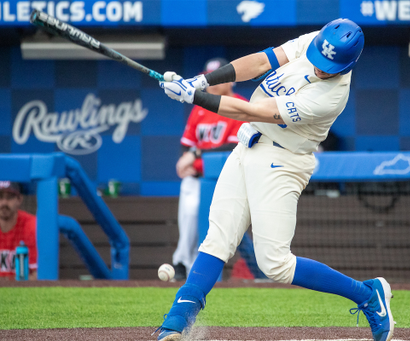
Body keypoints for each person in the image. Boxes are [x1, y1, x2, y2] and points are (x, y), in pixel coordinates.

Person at [156, 18, 394, 341]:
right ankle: (176, 322)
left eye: (329, 66)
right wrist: (202, 81)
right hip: (247, 145)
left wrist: (195, 97)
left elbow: (255, 110)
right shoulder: (317, 41)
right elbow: (259, 62)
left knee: (275, 264)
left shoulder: (330, 96)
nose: (321, 67)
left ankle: (368, 295)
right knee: (217, 237)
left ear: (347, 64)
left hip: (282, 161)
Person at [172, 57, 247, 280]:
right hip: (198, 176)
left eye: (219, 76)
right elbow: (186, 143)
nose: (213, 82)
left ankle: (202, 265)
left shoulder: (241, 105)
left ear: (231, 79)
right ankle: (182, 262)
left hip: (228, 177)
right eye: (210, 76)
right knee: (190, 211)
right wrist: (186, 161)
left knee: (226, 224)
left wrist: (194, 155)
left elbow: (233, 146)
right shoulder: (201, 107)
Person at [0, 181, 38, 280]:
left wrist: (8, 281)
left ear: (19, 199)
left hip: (24, 292)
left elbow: (38, 276)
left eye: (9, 197)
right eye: (0, 197)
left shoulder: (31, 225)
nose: (4, 203)